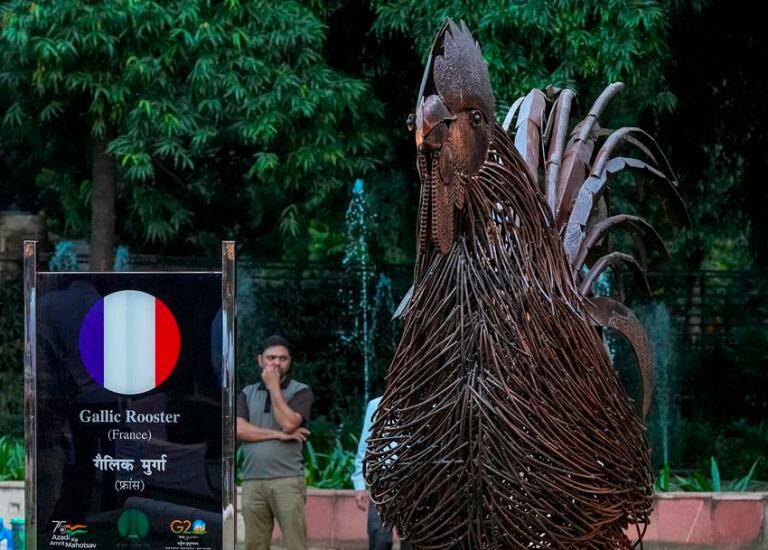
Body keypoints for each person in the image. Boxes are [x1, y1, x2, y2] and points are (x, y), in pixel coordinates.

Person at [237, 335, 313, 550]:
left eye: (283, 358)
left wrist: (274, 388)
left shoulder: (301, 390)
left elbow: (289, 423)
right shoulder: (246, 392)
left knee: (295, 544)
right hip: (252, 481)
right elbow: (239, 430)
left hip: (287, 480)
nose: (277, 363)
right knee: (254, 545)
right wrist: (278, 435)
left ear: (290, 361)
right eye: (271, 358)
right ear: (259, 360)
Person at [352, 397, 411, 550]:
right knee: (379, 534)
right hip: (385, 475)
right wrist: (359, 483)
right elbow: (366, 444)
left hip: (415, 476)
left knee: (412, 537)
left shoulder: (430, 401)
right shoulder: (377, 404)